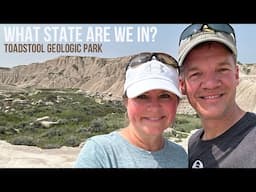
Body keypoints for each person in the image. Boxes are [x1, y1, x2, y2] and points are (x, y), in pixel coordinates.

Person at [74, 52, 188, 168]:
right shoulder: (100, 153)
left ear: (177, 102)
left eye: (165, 96)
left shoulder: (180, 156)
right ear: (126, 101)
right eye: (142, 96)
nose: (154, 107)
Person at [178, 24, 256, 168]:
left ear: (236, 75)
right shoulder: (194, 143)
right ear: (182, 85)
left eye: (222, 69)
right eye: (196, 74)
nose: (211, 84)